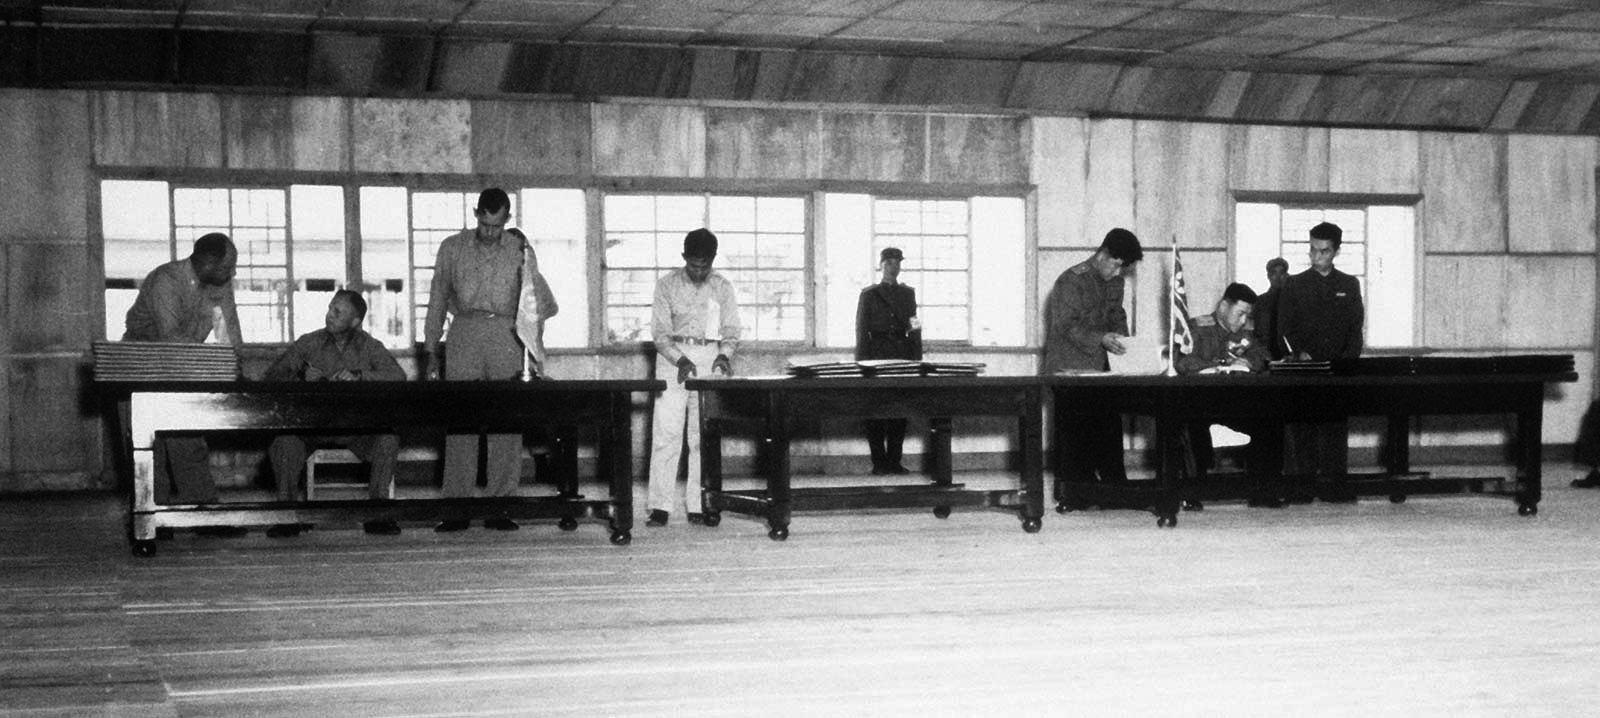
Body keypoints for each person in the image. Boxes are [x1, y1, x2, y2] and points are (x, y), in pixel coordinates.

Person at [123, 232, 246, 537]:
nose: (232, 273)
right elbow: (171, 340)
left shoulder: (219, 285)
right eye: (227, 266)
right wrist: (210, 366)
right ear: (207, 261)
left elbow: (227, 333)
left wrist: (234, 368)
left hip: (183, 368)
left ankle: (204, 515)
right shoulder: (165, 279)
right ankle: (153, 519)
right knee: (149, 450)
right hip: (141, 368)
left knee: (189, 443)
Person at [422, 188, 530, 532]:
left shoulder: (521, 250)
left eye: (496, 226)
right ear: (475, 213)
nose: (489, 232)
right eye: (484, 224)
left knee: (506, 420)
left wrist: (536, 353)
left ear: (507, 220)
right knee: (461, 420)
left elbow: (532, 304)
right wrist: (431, 350)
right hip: (464, 331)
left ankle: (500, 506)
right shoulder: (451, 248)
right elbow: (438, 297)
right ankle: (456, 507)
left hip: (506, 332)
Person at [262, 290, 407, 538]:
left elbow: (398, 377)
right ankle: (287, 516)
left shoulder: (370, 347)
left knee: (387, 439)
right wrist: (300, 378)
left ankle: (378, 513)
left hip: (356, 426)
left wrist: (361, 377)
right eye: (330, 308)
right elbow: (272, 377)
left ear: (355, 322)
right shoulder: (308, 343)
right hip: (312, 425)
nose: (329, 315)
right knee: (285, 443)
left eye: (337, 312)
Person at [647, 228, 741, 527]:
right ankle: (659, 506)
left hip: (709, 356)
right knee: (667, 433)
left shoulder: (723, 287)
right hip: (673, 358)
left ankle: (699, 503)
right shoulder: (666, 285)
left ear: (712, 260)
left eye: (705, 265)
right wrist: (680, 359)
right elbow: (660, 335)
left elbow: (731, 331)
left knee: (702, 436)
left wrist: (724, 355)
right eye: (693, 264)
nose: (699, 271)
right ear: (684, 257)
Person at [1042, 228, 1144, 488]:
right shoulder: (1071, 280)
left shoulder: (1115, 282)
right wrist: (1100, 338)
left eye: (1124, 268)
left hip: (1102, 368)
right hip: (1069, 366)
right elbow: (1065, 326)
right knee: (1075, 429)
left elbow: (1116, 315)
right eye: (1117, 265)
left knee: (1109, 424)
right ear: (1103, 254)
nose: (1118, 272)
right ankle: (1075, 491)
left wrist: (1124, 341)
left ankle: (1114, 485)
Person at [1277, 221, 1365, 502]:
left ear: (1336, 251)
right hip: (1303, 369)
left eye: (1324, 251)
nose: (1317, 256)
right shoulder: (1294, 284)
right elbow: (1283, 330)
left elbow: (1355, 330)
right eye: (1313, 250)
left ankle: (1334, 487)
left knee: (1334, 428)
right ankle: (1300, 489)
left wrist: (1347, 363)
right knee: (1300, 428)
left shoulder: (1349, 285)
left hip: (1337, 370)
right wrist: (1297, 353)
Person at [1174, 283, 1283, 508]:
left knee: (1269, 421)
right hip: (1200, 402)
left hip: (1235, 402)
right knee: (1188, 425)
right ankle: (1191, 493)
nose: (1244, 321)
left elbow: (1263, 355)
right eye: (1240, 314)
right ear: (1224, 306)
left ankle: (1263, 490)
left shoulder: (1244, 334)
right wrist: (1221, 365)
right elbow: (1184, 361)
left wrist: (1248, 361)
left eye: (1247, 316)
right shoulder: (1197, 328)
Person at [855, 247, 922, 475]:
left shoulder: (908, 294)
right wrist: (862, 363)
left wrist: (916, 357)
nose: (894, 267)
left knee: (899, 408)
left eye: (897, 263)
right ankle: (879, 463)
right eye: (890, 263)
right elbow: (861, 330)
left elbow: (914, 325)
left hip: (901, 354)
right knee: (875, 409)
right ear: (881, 265)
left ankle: (894, 461)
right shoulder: (869, 294)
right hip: (876, 354)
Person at [1254, 257, 1290, 360]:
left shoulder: (1293, 301)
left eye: (1282, 273)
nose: (1278, 277)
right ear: (1268, 276)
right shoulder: (1259, 302)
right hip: (1264, 353)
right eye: (1274, 273)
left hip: (1288, 355)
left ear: (1287, 275)